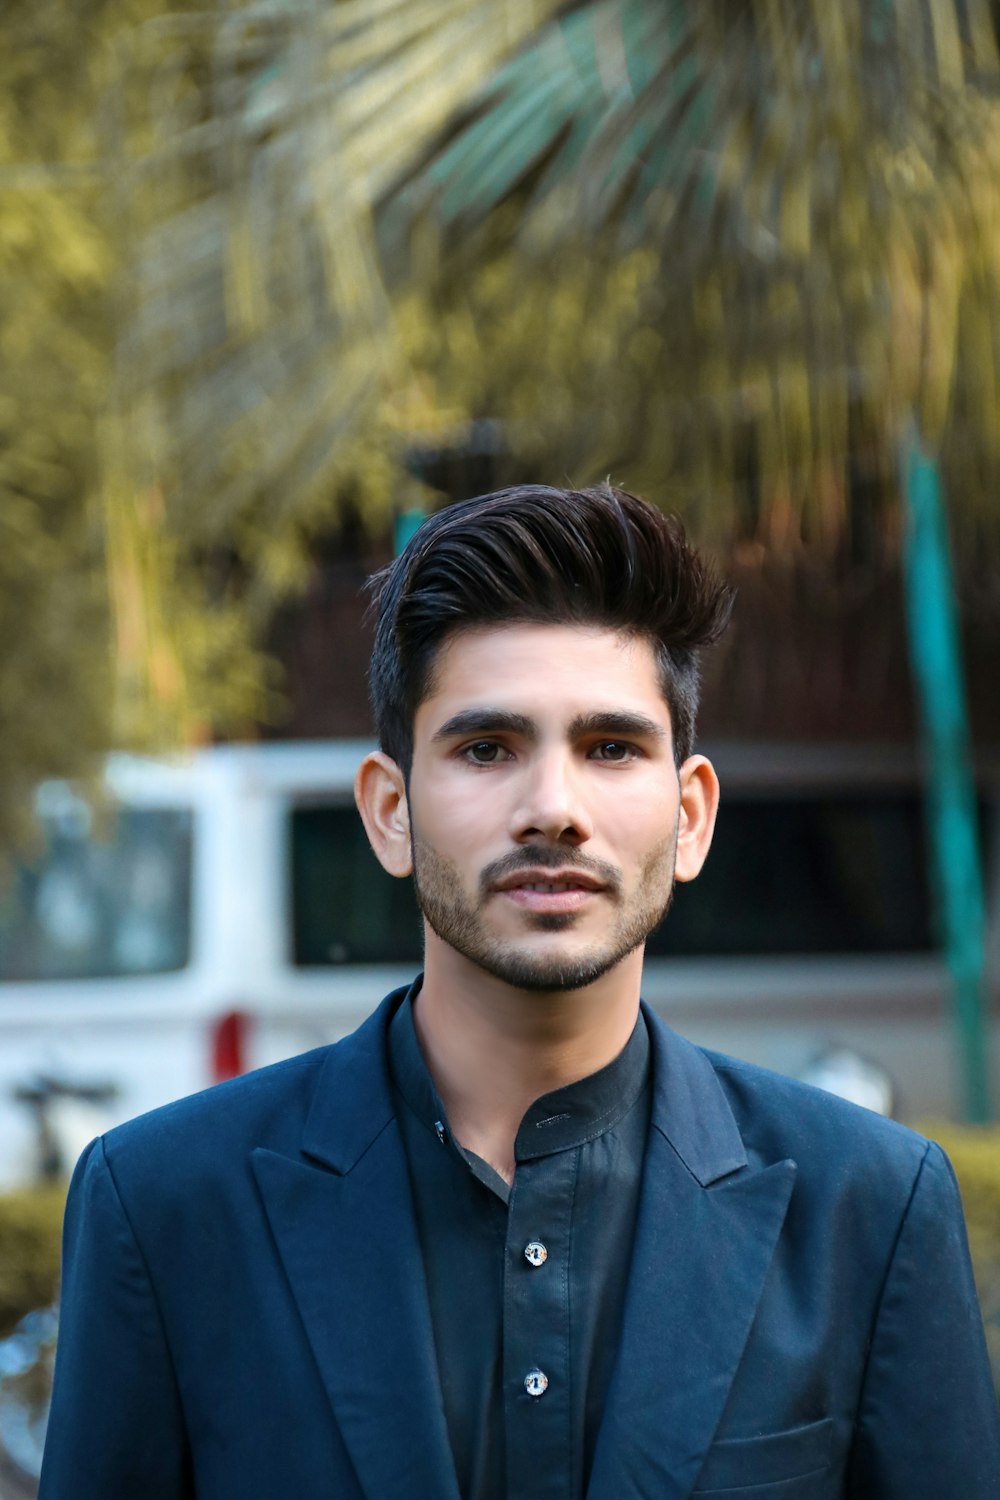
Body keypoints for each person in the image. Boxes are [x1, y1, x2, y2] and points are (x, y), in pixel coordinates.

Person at [40, 484, 1000, 1500]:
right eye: (487, 748)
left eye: (611, 748)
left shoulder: (868, 1211)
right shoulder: (165, 1207)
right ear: (390, 809)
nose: (552, 809)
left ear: (690, 815)